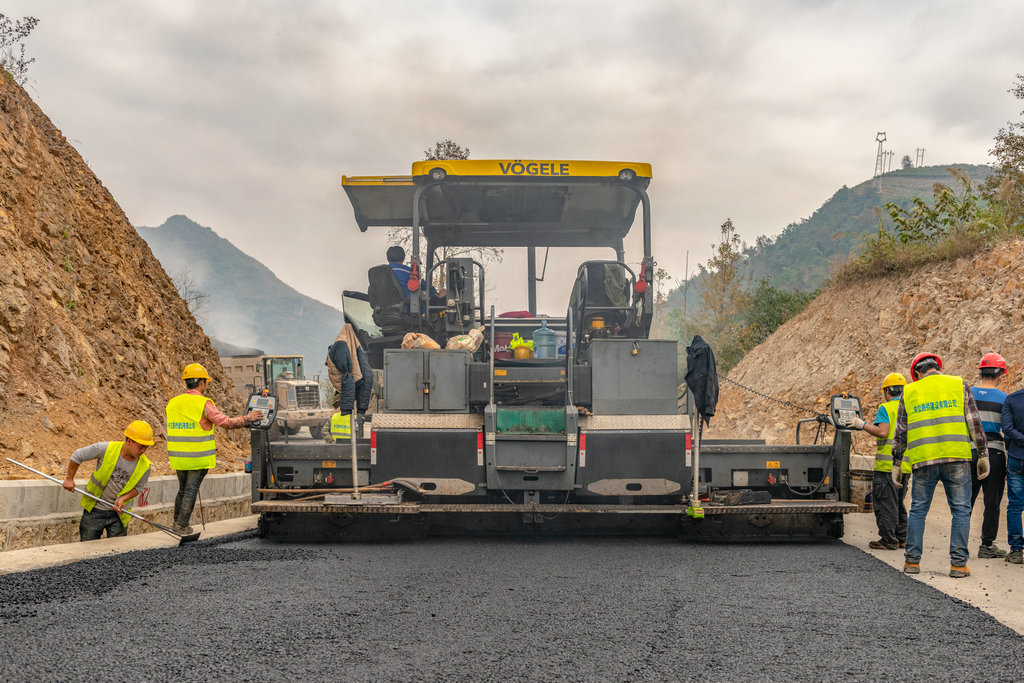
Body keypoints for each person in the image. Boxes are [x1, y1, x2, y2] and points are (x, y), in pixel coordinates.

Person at [894, 352, 989, 578]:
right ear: (938, 367)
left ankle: (912, 562)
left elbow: (901, 432)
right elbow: (974, 422)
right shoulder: (958, 385)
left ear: (917, 373)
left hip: (923, 460)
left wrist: (897, 462)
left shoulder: (909, 391)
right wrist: (983, 454)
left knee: (918, 510)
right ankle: (958, 565)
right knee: (960, 511)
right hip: (957, 458)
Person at [166, 363, 262, 534]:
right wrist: (248, 418)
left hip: (178, 457)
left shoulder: (173, 403)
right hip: (197, 456)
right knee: (190, 489)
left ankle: (176, 522)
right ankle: (181, 526)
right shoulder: (203, 403)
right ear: (201, 382)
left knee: (182, 489)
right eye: (206, 382)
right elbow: (226, 422)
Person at [845, 373, 910, 550]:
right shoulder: (910, 406)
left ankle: (888, 540)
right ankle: (903, 537)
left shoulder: (886, 408)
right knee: (898, 502)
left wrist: (862, 424)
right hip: (905, 465)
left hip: (887, 465)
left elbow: (882, 432)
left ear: (887, 390)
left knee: (885, 503)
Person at [62, 420, 155, 541]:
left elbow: (139, 488)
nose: (143, 451)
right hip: (94, 510)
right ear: (129, 441)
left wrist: (123, 499)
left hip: (119, 515)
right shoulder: (106, 449)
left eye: (146, 448)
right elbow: (77, 456)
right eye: (141, 446)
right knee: (86, 550)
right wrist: (69, 479)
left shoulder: (145, 466)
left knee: (116, 554)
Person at [970, 353, 1009, 558]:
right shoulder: (1005, 399)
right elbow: (1008, 431)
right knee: (992, 502)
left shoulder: (967, 394)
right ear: (1001, 375)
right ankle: (986, 546)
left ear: (980, 372)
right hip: (994, 453)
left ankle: (958, 544)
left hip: (970, 452)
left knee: (965, 500)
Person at [326, 324, 373, 418]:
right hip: (356, 387)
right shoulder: (351, 347)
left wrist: (346, 409)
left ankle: (350, 415)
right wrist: (361, 408)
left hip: (349, 389)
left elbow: (347, 374)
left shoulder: (340, 344)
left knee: (348, 377)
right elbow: (366, 376)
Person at [1002, 381, 1024, 564]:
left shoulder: (1012, 399)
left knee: (1015, 505)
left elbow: (1007, 429)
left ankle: (1016, 551)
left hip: (1017, 456)